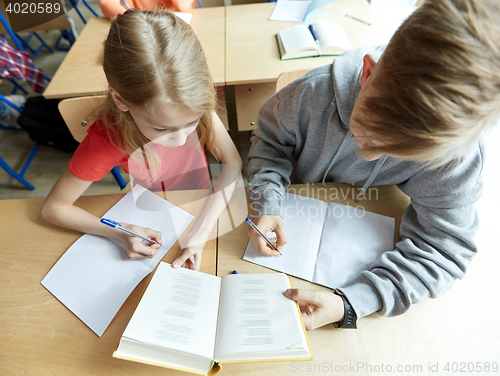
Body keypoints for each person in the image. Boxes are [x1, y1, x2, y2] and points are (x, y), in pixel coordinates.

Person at [247, 0, 500, 330]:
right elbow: (268, 142)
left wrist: (352, 303)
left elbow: (443, 251)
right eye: (365, 134)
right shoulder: (311, 95)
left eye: (399, 153)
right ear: (367, 73)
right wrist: (267, 201)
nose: (368, 156)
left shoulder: (454, 155)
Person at [41, 10, 242, 271]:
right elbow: (53, 208)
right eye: (161, 128)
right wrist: (119, 232)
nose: (182, 140)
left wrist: (201, 232)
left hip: (199, 206)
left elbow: (233, 162)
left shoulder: (189, 100)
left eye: (191, 124)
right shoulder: (108, 139)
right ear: (121, 100)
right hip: (150, 215)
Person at [99, 0, 193, 20]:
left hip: (181, 21)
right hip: (139, 21)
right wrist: (132, 16)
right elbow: (106, 3)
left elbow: (182, 5)